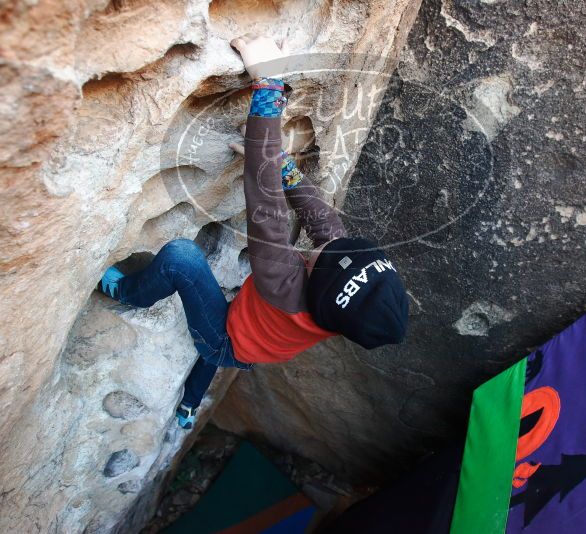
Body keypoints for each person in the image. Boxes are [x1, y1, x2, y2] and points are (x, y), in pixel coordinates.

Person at [97, 33, 409, 429]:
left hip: (230, 338)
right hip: (251, 345)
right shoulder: (335, 305)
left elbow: (265, 200)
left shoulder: (283, 287)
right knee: (218, 354)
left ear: (314, 290)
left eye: (322, 260)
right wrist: (280, 160)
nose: (325, 247)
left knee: (183, 262)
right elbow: (322, 221)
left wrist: (269, 87)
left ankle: (128, 293)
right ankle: (189, 406)